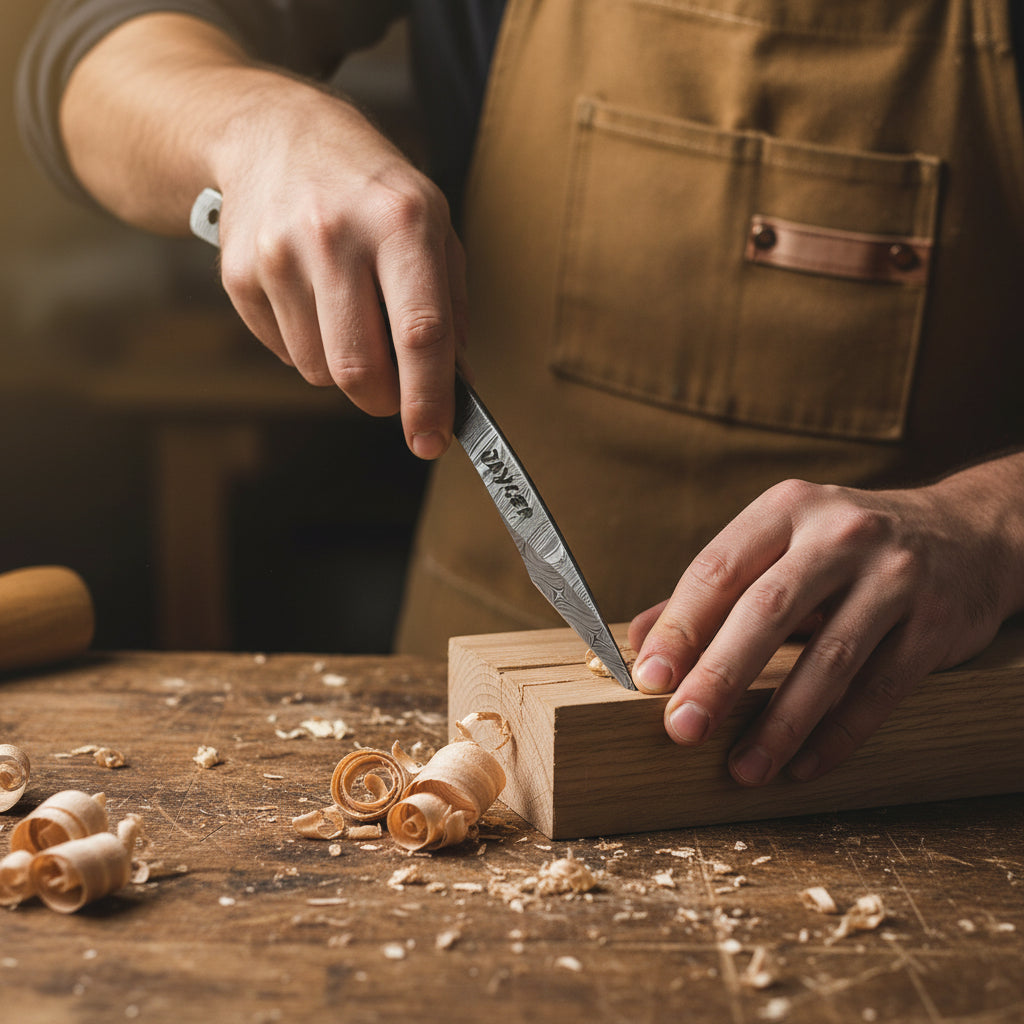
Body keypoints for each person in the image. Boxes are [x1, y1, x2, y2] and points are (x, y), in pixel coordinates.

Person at [17, 1, 1024, 790]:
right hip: (483, 746)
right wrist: (257, 129)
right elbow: (87, 56)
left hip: (909, 754)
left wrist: (993, 521)